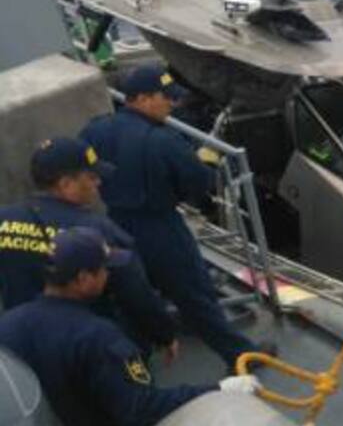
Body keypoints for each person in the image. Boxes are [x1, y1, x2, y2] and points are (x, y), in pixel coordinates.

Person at [0, 227, 259, 426]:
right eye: (103, 269)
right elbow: (141, 407)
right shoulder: (99, 338)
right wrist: (219, 389)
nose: (108, 274)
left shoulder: (7, 327)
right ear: (83, 279)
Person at [81, 66, 262, 369]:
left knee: (130, 297)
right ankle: (240, 356)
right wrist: (206, 164)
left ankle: (133, 366)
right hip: (161, 228)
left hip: (114, 224)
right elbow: (198, 184)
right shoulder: (164, 140)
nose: (172, 103)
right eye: (165, 97)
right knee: (196, 293)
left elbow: (83, 166)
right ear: (142, 99)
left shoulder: (95, 130)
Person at [0, 138, 177, 359]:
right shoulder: (98, 230)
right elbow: (135, 290)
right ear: (66, 184)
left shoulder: (4, 220)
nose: (98, 183)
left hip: (22, 344)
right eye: (91, 177)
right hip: (89, 346)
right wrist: (164, 334)